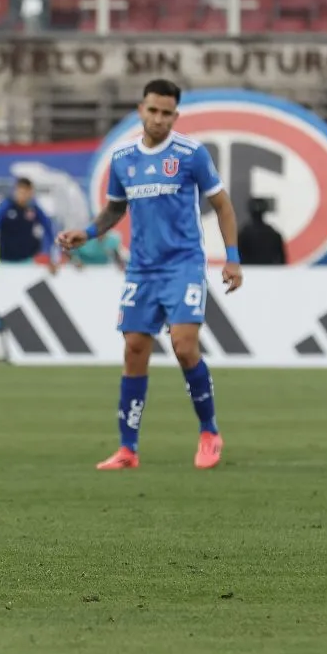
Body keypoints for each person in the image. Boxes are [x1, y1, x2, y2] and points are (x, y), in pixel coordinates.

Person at [57, 78, 243, 471]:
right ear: (141, 110)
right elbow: (115, 209)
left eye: (166, 113)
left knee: (184, 346)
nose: (158, 119)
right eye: (153, 110)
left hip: (183, 265)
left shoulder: (191, 154)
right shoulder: (123, 159)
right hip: (142, 269)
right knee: (134, 349)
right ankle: (128, 449)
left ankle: (209, 432)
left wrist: (232, 258)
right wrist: (86, 233)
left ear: (175, 115)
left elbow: (223, 205)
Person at [0, 177, 59, 276]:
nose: (23, 195)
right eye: (20, 191)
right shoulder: (5, 207)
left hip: (27, 262)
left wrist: (54, 259)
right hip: (5, 263)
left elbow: (50, 233)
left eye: (26, 192)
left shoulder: (34, 208)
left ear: (31, 193)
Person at [238, 197, 287, 265]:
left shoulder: (242, 234)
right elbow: (282, 261)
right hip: (268, 271)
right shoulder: (274, 234)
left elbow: (236, 259)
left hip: (248, 271)